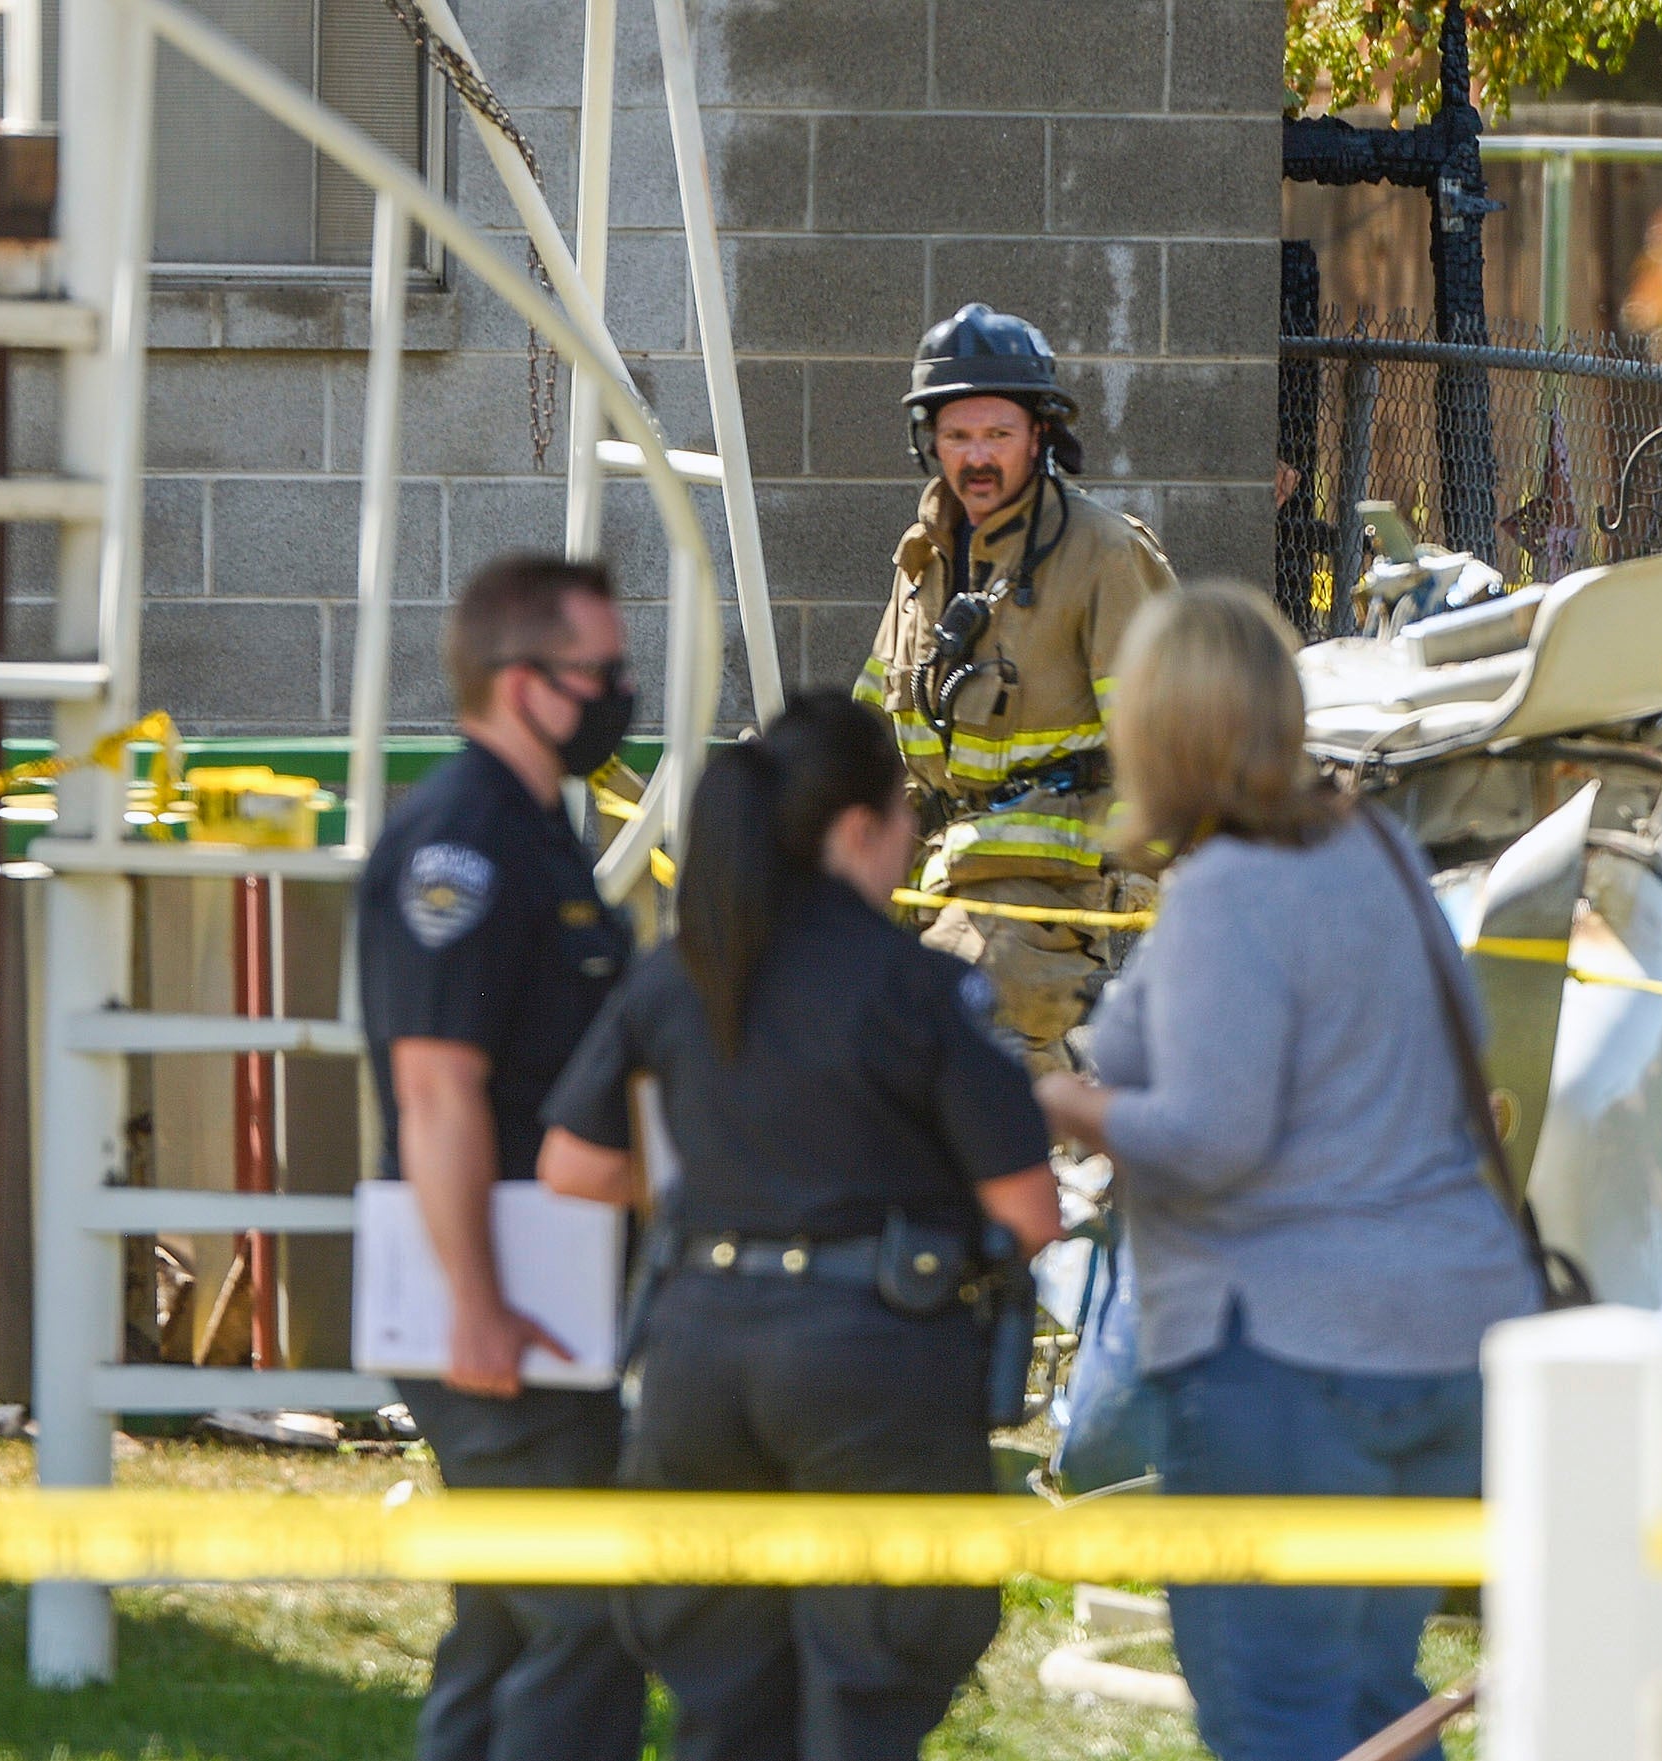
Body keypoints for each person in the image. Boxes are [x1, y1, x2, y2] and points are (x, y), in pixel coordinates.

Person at [1035, 583, 1543, 1761]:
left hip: (1292, 1365)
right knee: (1372, 1702)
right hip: (1444, 1343)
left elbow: (1215, 1139)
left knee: (1278, 1719)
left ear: (1156, 733)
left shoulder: (1226, 890)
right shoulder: (1373, 849)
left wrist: (1062, 1102)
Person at [537, 691, 1064, 1761]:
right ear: (861, 827)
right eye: (907, 817)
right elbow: (1029, 1211)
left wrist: (724, 1190)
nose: (912, 840)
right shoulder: (919, 989)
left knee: (724, 1702)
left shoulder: (685, 971)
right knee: (871, 1686)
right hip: (873, 1360)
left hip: (697, 1358)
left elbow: (572, 1167)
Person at [355, 553, 647, 1761]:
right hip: (501, 1299)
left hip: (550, 1288)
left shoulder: (537, 833)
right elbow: (436, 1089)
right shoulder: (462, 847)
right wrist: (476, 1304)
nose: (623, 693)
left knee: (508, 1620)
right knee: (586, 1617)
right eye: (604, 673)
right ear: (524, 683)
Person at [854, 301, 1176, 1075]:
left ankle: (1051, 1176)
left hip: (1052, 892)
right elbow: (874, 724)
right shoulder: (921, 560)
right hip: (929, 878)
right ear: (929, 440)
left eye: (998, 434)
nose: (977, 458)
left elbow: (1169, 741)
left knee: (958, 1033)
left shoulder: (1099, 555)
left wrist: (1135, 876)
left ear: (1040, 436)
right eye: (959, 436)